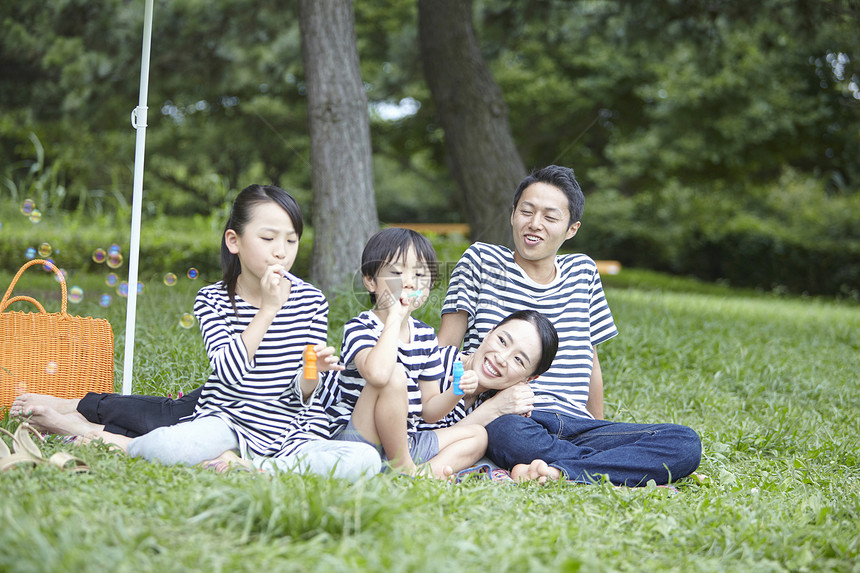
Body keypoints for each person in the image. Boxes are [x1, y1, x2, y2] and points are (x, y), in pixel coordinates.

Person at [14, 185, 381, 481]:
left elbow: (304, 392)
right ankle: (84, 431)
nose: (281, 252)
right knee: (168, 449)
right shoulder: (213, 300)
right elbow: (228, 374)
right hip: (228, 419)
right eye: (269, 238)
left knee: (364, 459)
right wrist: (268, 309)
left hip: (288, 431)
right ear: (234, 241)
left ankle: (246, 467)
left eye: (291, 241)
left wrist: (311, 371)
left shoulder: (311, 300)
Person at [437, 165, 702, 486]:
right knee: (505, 432)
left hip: (578, 424)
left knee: (684, 442)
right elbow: (444, 350)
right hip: (513, 417)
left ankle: (559, 471)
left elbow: (590, 362)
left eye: (550, 217)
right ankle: (614, 469)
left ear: (571, 228)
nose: (534, 224)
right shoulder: (481, 261)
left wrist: (599, 425)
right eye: (526, 211)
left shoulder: (582, 272)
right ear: (512, 214)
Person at [328, 228, 486, 478]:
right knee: (394, 375)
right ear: (370, 281)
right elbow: (378, 374)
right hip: (357, 439)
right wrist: (394, 316)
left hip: (404, 440)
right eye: (397, 272)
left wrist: (457, 390)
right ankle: (404, 469)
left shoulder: (424, 336)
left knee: (477, 435)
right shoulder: (359, 328)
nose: (409, 281)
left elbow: (430, 411)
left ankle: (418, 474)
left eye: (420, 274)